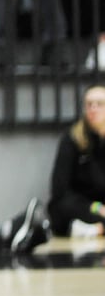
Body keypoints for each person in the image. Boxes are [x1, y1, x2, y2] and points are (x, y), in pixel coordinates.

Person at [48, 84, 105, 238]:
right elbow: (59, 188)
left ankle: (94, 229)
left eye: (99, 104)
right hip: (85, 206)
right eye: (89, 104)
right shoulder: (72, 138)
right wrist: (97, 207)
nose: (93, 109)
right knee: (60, 207)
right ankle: (94, 228)